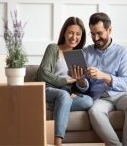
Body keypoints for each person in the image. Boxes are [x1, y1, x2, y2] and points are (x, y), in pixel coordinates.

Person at [70, 12, 127, 146]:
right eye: (92, 33)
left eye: (99, 33)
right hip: (100, 98)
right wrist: (80, 80)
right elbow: (85, 87)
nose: (95, 38)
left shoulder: (123, 52)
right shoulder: (85, 52)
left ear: (109, 30)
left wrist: (104, 76)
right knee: (94, 111)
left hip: (121, 95)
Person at [35, 17, 93, 146]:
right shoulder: (53, 48)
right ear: (64, 33)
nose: (74, 37)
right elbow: (43, 74)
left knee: (88, 100)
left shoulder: (80, 55)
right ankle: (57, 142)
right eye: (70, 32)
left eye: (78, 34)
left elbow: (80, 83)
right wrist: (66, 81)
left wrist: (80, 81)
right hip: (47, 89)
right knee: (63, 95)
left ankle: (58, 104)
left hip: (65, 93)